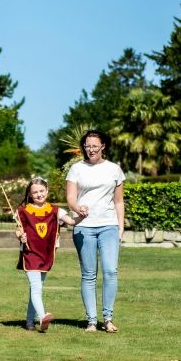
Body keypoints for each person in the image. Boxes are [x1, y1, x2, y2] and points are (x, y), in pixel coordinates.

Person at [66, 130, 126, 333]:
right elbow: (71, 198)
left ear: (103, 146)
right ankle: (91, 321)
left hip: (109, 225)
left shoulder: (114, 169)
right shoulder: (76, 169)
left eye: (94, 146)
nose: (90, 149)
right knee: (89, 274)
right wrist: (77, 209)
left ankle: (108, 319)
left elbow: (119, 201)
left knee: (110, 271)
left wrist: (120, 227)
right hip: (84, 227)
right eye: (87, 146)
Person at [14, 177, 79, 332]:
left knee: (35, 289)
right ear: (30, 194)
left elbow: (71, 221)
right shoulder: (23, 211)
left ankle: (29, 321)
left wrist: (83, 215)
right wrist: (20, 236)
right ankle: (42, 317)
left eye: (41, 191)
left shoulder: (55, 210)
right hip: (30, 253)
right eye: (35, 192)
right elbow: (17, 230)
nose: (39, 194)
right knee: (36, 287)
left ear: (47, 191)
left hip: (46, 255)